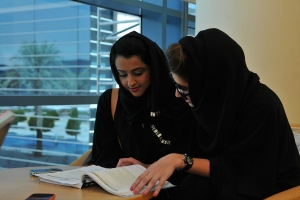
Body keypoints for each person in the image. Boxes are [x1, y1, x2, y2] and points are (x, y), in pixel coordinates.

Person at [129, 28, 300, 199]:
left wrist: (181, 160)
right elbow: (195, 159)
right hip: (226, 182)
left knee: (194, 189)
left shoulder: (262, 107)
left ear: (212, 83)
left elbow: (245, 172)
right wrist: (150, 168)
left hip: (270, 190)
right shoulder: (209, 105)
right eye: (176, 86)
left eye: (184, 89)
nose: (177, 95)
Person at [86, 31, 195, 198]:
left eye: (138, 73)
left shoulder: (180, 100)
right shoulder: (110, 101)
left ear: (154, 68)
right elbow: (102, 156)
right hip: (122, 192)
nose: (130, 82)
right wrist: (126, 168)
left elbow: (189, 160)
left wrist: (148, 167)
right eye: (122, 74)